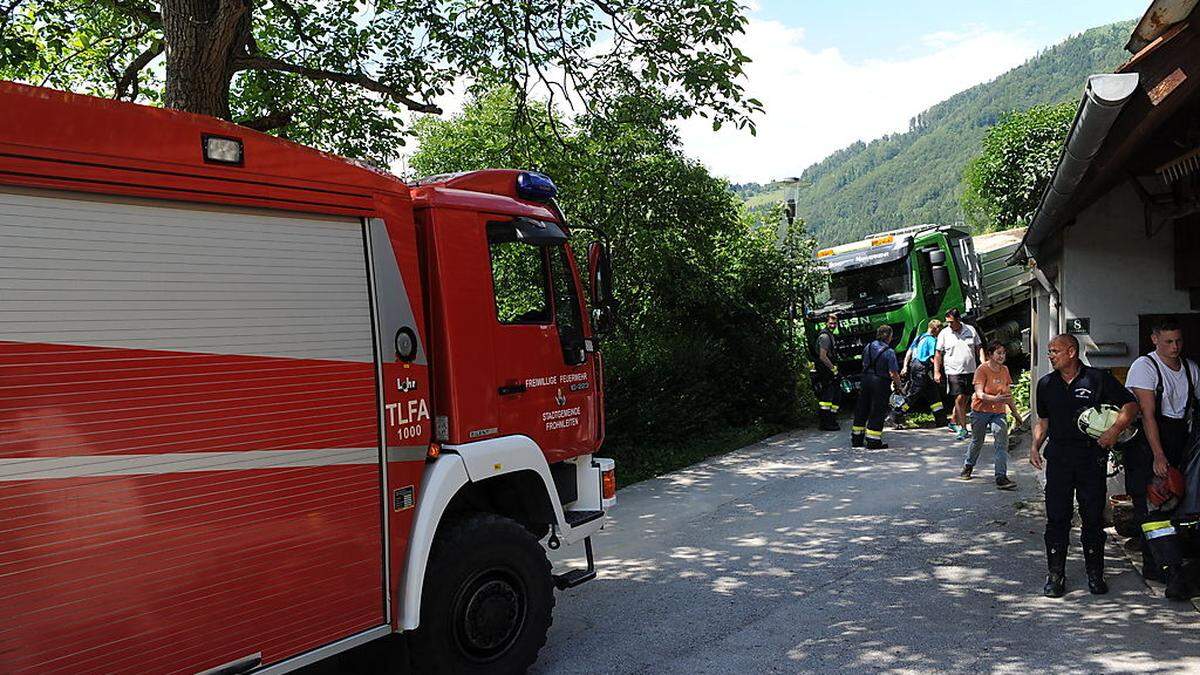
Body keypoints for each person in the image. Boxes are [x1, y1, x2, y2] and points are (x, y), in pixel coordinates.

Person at [1030, 334, 1138, 598]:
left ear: (1071, 352)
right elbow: (1043, 421)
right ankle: (1055, 575)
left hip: (1092, 458)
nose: (1050, 355)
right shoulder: (1046, 384)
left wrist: (1114, 430)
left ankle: (1095, 573)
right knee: (1057, 518)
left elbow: (1131, 405)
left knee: (1092, 517)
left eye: (1054, 351)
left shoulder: (1097, 379)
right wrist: (1035, 446)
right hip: (1059, 459)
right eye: (1049, 351)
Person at [1124, 318, 1199, 599]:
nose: (1174, 347)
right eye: (1168, 341)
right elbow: (1148, 415)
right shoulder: (1145, 367)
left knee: (1174, 505)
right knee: (1153, 507)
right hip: (1148, 444)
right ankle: (1166, 569)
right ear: (1155, 340)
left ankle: (1158, 565)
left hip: (1181, 439)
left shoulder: (1191, 370)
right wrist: (1158, 456)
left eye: (1178, 341)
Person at [962, 341, 1020, 489]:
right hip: (980, 411)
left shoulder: (1005, 370)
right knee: (977, 441)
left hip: (998, 412)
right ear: (990, 355)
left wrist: (1015, 413)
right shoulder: (982, 370)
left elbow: (1007, 394)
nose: (1002, 356)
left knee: (1001, 442)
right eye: (998, 353)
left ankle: (1001, 477)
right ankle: (968, 465)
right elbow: (979, 394)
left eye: (1004, 353)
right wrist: (995, 399)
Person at [935, 308, 983, 441]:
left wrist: (984, 364)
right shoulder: (944, 334)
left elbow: (979, 348)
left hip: (970, 370)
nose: (949, 325)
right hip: (953, 371)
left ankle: (953, 421)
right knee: (959, 397)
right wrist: (937, 371)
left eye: (951, 322)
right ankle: (963, 428)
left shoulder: (971, 330)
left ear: (958, 320)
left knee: (968, 397)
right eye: (947, 322)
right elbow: (938, 354)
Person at [852, 325, 902, 449]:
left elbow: (863, 363)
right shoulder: (889, 352)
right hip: (880, 383)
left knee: (862, 409)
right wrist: (898, 386)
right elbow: (893, 373)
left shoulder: (868, 347)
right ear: (889, 336)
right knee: (877, 410)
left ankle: (856, 439)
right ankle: (873, 441)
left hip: (865, 380)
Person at [900, 320, 948, 427]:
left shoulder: (919, 337)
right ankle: (896, 414)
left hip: (915, 366)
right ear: (935, 329)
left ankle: (941, 419)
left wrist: (905, 366)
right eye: (939, 330)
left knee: (933, 393)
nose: (940, 332)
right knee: (914, 394)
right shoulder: (931, 340)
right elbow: (933, 358)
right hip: (922, 368)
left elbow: (909, 353)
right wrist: (941, 369)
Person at [814, 313, 844, 432]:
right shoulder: (825, 337)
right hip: (825, 370)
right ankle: (826, 422)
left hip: (828, 369)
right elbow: (823, 356)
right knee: (827, 397)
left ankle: (831, 420)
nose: (833, 325)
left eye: (834, 323)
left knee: (835, 395)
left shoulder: (829, 335)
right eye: (830, 323)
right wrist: (833, 369)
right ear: (826, 323)